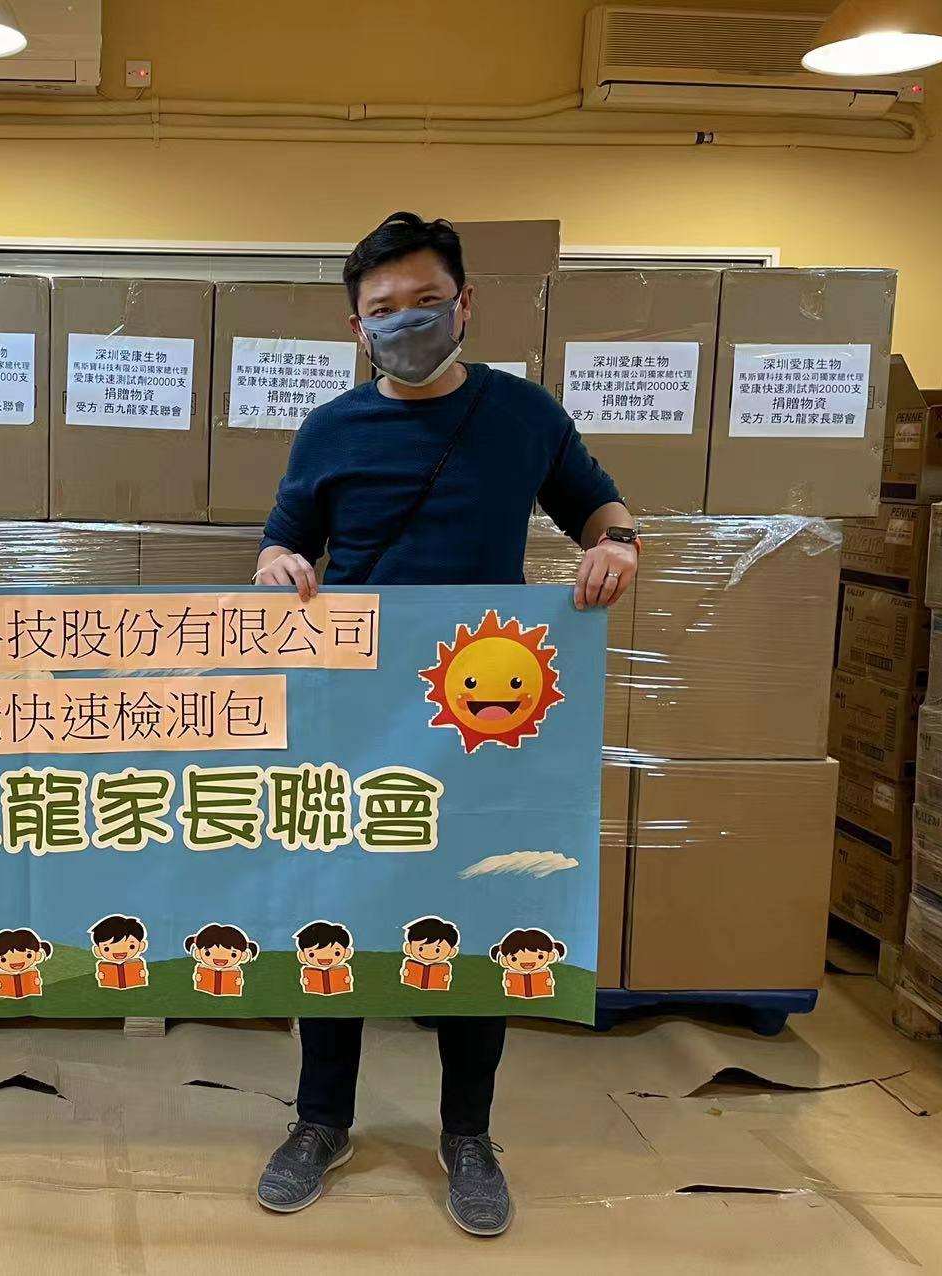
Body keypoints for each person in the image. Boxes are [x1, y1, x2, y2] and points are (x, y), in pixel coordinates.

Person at [252, 213, 638, 1238]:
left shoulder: (523, 416)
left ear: (464, 305)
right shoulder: (330, 430)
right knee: (336, 913)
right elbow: (283, 546)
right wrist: (278, 566)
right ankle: (320, 1120)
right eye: (383, 310)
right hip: (351, 718)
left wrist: (619, 547)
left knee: (475, 912)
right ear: (357, 327)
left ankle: (466, 1133)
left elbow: (600, 509)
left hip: (484, 721)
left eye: (425, 302)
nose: (405, 322)